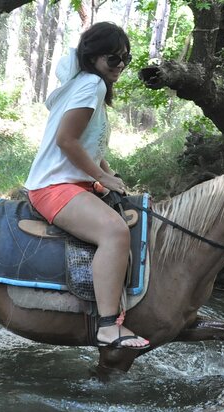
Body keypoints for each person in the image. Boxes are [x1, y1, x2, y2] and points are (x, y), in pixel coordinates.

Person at [24, 22, 149, 349]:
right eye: (114, 58)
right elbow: (67, 141)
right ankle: (108, 326)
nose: (120, 65)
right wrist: (102, 177)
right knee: (115, 232)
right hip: (53, 185)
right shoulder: (91, 84)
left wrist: (109, 175)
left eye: (126, 59)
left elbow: (89, 146)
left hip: (73, 182)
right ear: (93, 57)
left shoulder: (89, 84)